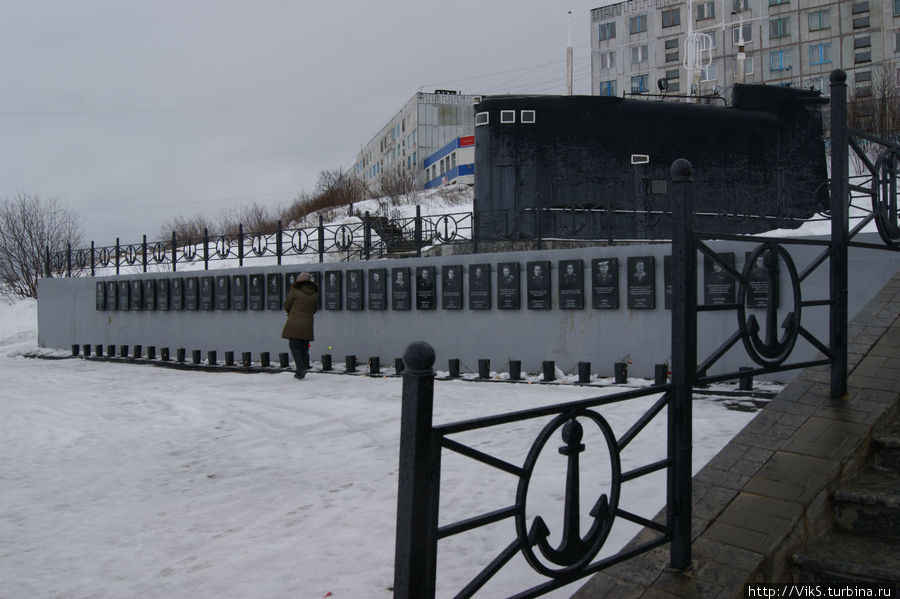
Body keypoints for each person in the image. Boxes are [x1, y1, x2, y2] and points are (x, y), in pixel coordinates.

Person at [281, 272, 319, 380]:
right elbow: (315, 309)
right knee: (304, 347)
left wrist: (292, 312)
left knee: (294, 346)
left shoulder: (295, 291)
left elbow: (287, 305)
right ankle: (304, 366)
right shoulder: (315, 293)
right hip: (308, 323)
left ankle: (301, 368)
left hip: (294, 322)